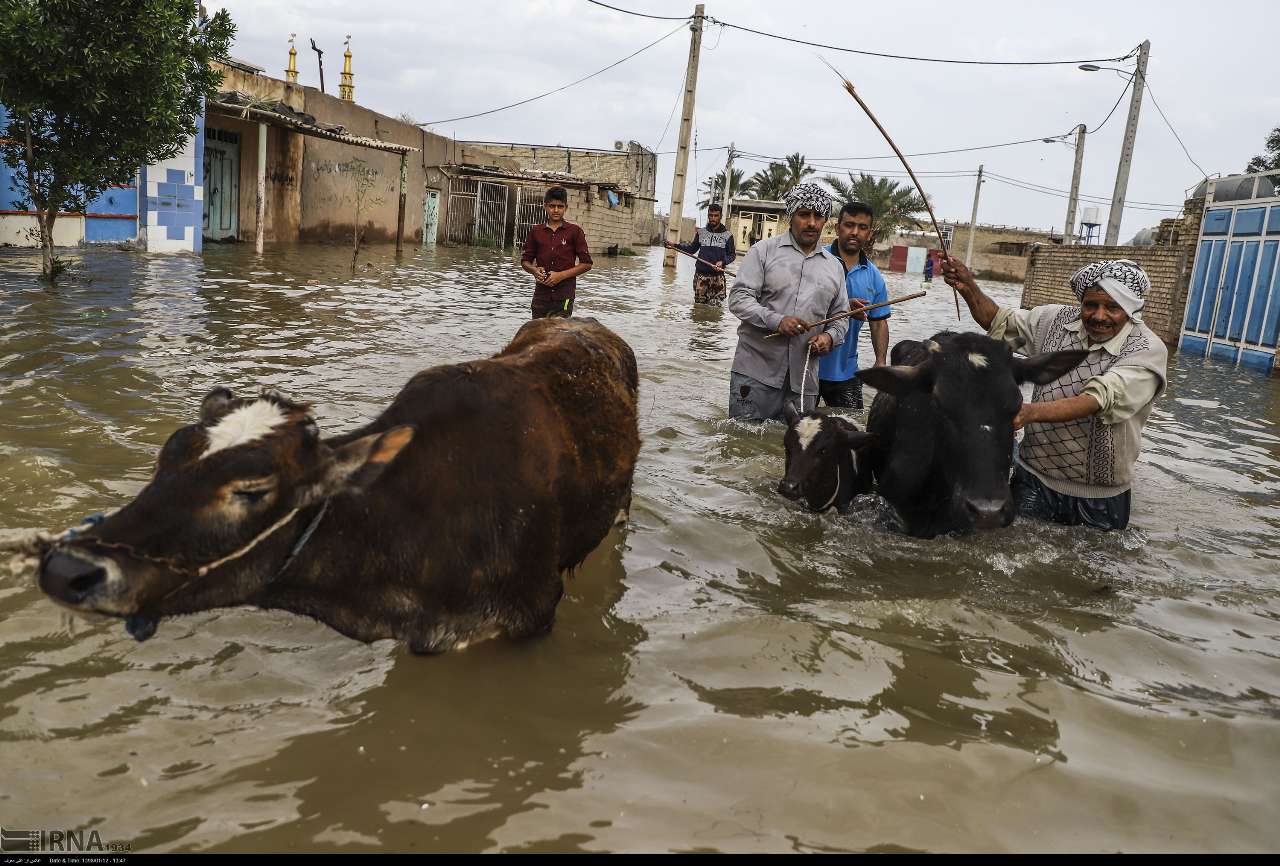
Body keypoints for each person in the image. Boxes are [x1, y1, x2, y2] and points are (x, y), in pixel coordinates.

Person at [941, 256, 1169, 530]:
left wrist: (1027, 413)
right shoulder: (1054, 320)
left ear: (1131, 310)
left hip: (1099, 496)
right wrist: (968, 287)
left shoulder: (1146, 349)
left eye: (1112, 307)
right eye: (1090, 305)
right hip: (1034, 479)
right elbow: (998, 320)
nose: (1098, 316)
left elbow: (1098, 398)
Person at [727, 183, 848, 422]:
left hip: (804, 383)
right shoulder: (762, 252)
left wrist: (829, 338)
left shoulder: (834, 267)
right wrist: (777, 321)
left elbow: (841, 316)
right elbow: (739, 299)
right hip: (755, 374)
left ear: (825, 221)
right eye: (804, 215)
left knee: (795, 455)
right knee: (742, 445)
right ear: (791, 216)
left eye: (818, 216)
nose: (811, 223)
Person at [817, 202, 889, 410]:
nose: (854, 232)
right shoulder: (816, 260)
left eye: (862, 227)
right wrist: (844, 307)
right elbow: (798, 306)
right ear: (837, 227)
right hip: (806, 366)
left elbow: (878, 322)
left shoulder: (874, 276)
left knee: (854, 429)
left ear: (869, 233)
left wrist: (881, 361)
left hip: (846, 371)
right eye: (849, 225)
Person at [520, 186, 593, 319]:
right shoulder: (536, 231)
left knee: (560, 335)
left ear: (566, 207)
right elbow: (525, 261)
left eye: (560, 206)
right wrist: (534, 270)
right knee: (538, 336)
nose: (556, 210)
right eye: (552, 206)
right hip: (541, 296)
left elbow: (587, 264)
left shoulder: (575, 231)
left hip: (564, 296)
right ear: (545, 206)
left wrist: (560, 275)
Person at [666, 203, 736, 305]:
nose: (713, 218)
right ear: (708, 216)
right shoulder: (701, 233)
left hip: (718, 277)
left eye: (716, 216)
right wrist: (675, 246)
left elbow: (732, 255)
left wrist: (723, 262)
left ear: (720, 216)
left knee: (716, 309)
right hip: (701, 276)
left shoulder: (728, 235)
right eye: (711, 215)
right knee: (699, 307)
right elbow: (691, 249)